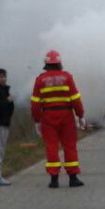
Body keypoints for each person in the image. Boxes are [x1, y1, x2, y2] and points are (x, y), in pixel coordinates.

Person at [31, 49, 86, 188]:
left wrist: (37, 120)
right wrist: (80, 115)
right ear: (59, 63)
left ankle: (54, 179)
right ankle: (73, 178)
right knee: (70, 146)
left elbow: (35, 103)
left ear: (46, 64)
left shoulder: (40, 80)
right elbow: (75, 99)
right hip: (66, 115)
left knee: (51, 146)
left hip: (48, 116)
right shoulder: (67, 77)